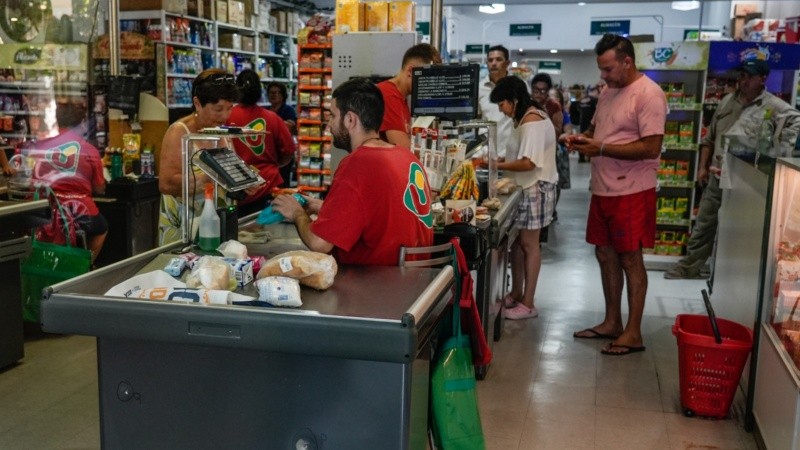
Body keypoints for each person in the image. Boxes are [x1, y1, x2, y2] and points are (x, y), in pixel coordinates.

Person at [561, 34, 667, 355]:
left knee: (630, 258)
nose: (602, 77)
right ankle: (612, 321)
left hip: (632, 191)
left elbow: (652, 147)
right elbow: (597, 133)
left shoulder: (649, 94)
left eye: (608, 69)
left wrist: (602, 147)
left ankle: (633, 332)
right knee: (604, 254)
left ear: (627, 62)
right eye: (601, 69)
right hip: (603, 188)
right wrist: (581, 140)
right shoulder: (608, 93)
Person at [271, 77, 433, 266]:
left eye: (332, 115)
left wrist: (296, 213)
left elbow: (319, 243)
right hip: (414, 282)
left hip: (376, 284)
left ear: (350, 119)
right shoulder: (406, 157)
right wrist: (322, 207)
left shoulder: (358, 164)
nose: (329, 125)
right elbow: (378, 215)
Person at [664, 59, 800, 280]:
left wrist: (779, 150)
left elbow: (796, 120)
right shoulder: (727, 100)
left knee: (739, 230)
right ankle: (689, 266)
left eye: (748, 76)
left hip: (746, 180)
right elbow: (709, 139)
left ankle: (734, 275)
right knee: (704, 223)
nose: (743, 80)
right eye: (741, 75)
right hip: (718, 174)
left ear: (763, 79)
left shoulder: (773, 105)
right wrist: (702, 168)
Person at [482, 76, 558, 320]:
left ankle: (528, 302)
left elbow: (528, 163)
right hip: (524, 187)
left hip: (536, 186)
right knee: (516, 243)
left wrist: (497, 163)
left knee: (529, 244)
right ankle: (516, 292)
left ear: (514, 100)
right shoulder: (522, 119)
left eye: (503, 105)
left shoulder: (533, 121)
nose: (502, 111)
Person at [159, 69, 239, 245]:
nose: (225, 116)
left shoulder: (221, 132)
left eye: (229, 108)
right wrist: (206, 179)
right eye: (218, 109)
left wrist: (243, 181)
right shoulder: (179, 132)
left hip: (219, 223)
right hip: (185, 229)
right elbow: (166, 183)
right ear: (197, 103)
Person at [26, 101, 107, 262]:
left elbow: (31, 177)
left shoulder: (40, 145)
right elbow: (99, 189)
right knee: (101, 228)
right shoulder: (88, 149)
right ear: (82, 124)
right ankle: (84, 266)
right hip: (78, 210)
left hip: (42, 209)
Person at [227, 69, 296, 217]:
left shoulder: (226, 116)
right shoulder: (273, 118)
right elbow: (289, 151)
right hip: (268, 185)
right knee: (267, 233)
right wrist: (274, 165)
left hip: (235, 187)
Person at [376, 43, 441, 149]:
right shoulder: (388, 95)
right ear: (411, 71)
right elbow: (402, 148)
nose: (429, 86)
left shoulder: (402, 97)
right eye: (427, 79)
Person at [531, 72, 565, 231]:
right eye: (536, 90)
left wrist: (544, 116)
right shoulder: (528, 104)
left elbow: (558, 131)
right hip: (530, 153)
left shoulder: (553, 106)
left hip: (548, 154)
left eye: (543, 91)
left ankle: (549, 214)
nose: (539, 94)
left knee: (550, 186)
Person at [477, 45, 514, 158]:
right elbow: (477, 119)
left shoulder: (517, 87)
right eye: (490, 60)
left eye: (498, 59)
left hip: (510, 153)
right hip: (485, 154)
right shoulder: (479, 88)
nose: (493, 63)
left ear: (507, 63)